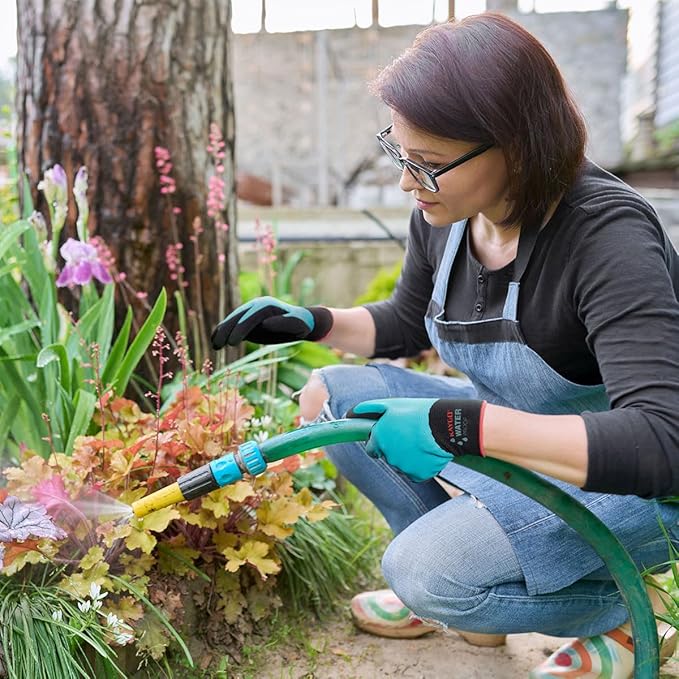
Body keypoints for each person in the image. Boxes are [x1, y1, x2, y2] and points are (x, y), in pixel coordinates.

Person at [211, 12, 679, 678]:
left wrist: (462, 425)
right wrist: (311, 322)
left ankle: (629, 611)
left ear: (516, 147)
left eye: (427, 165)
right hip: (525, 439)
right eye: (401, 155)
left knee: (423, 570)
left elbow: (660, 441)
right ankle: (473, 599)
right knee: (333, 399)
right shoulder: (448, 214)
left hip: (635, 481)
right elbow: (407, 321)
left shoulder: (605, 235)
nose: (408, 182)